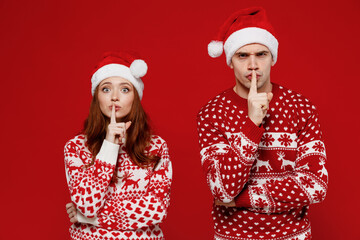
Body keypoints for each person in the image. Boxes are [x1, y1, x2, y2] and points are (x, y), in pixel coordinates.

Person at [197, 7, 328, 240]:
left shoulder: (302, 108)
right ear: (230, 61)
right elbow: (221, 189)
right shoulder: (212, 113)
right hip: (233, 236)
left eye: (261, 54)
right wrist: (252, 123)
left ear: (273, 57)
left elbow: (316, 185)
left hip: (292, 236)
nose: (253, 65)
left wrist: (241, 199)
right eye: (242, 55)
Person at [64, 51, 172, 240]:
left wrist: (87, 218)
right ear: (96, 96)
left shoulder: (156, 147)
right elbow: (88, 205)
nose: (115, 97)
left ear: (135, 97)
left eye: (124, 89)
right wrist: (110, 145)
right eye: (106, 89)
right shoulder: (75, 147)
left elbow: (156, 211)